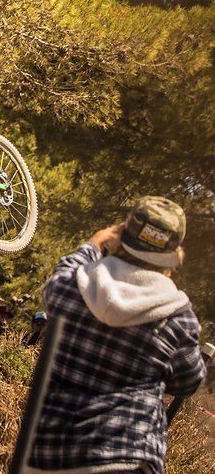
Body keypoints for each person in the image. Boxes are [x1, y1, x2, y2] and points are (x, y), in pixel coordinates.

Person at [27, 196, 206, 474]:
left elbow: (57, 282)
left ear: (120, 235)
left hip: (49, 454)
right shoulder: (177, 316)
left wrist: (92, 246)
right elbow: (188, 382)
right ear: (174, 255)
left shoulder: (75, 285)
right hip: (130, 456)